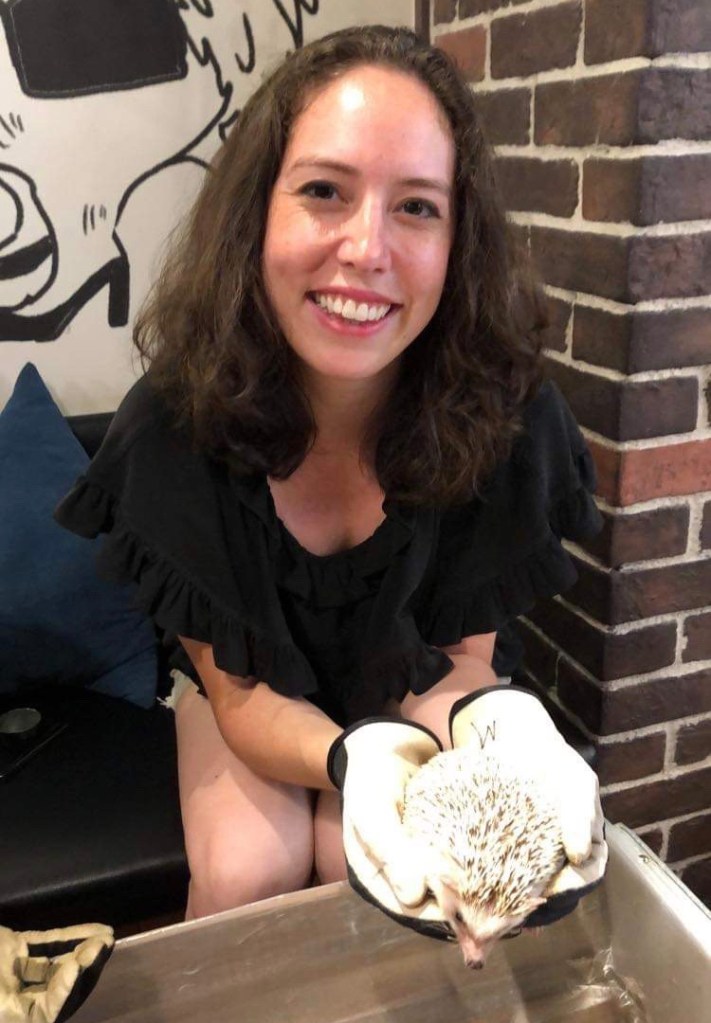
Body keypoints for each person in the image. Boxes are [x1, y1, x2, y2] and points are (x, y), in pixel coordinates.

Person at [55, 25, 606, 934]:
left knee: (377, 874)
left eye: (416, 207)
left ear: (458, 239)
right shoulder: (174, 423)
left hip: (414, 679)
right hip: (250, 693)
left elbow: (462, 660)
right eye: (323, 191)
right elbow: (238, 695)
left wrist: (500, 735)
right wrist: (352, 760)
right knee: (250, 869)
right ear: (257, 213)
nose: (365, 249)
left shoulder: (503, 416)